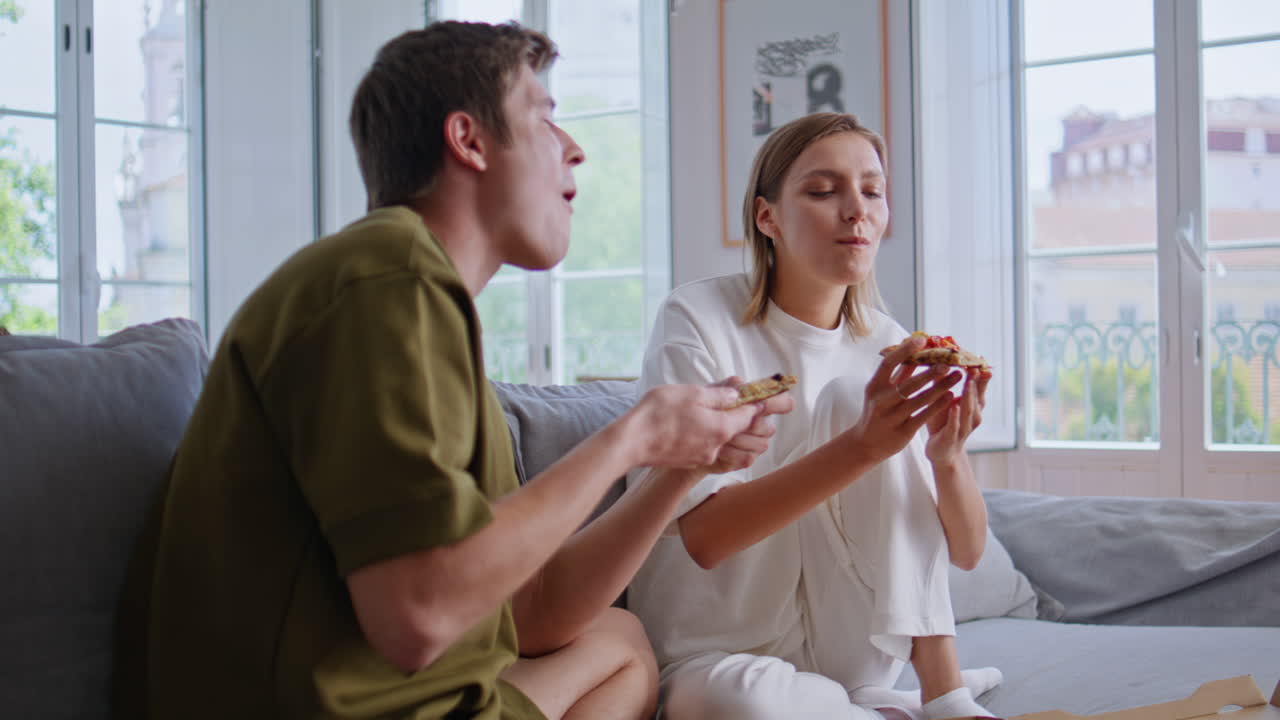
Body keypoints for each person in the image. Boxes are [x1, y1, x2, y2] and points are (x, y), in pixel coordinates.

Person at [112, 21, 792, 720]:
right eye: (544, 117)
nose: (575, 148)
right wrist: (632, 436)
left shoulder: (416, 301)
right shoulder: (385, 280)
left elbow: (533, 613)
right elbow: (420, 613)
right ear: (468, 140)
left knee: (620, 642)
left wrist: (677, 465)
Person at [625, 112, 1002, 720]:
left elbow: (967, 551)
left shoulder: (888, 343)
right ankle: (877, 710)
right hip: (715, 652)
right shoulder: (697, 318)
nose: (856, 211)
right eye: (824, 191)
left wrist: (948, 457)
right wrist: (864, 446)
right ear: (767, 217)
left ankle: (943, 694)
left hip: (847, 645)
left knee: (854, 396)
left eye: (873, 192)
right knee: (743, 703)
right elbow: (704, 538)